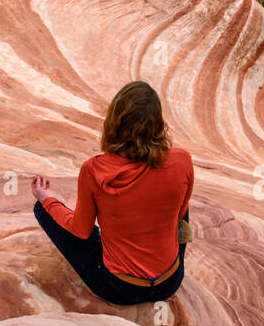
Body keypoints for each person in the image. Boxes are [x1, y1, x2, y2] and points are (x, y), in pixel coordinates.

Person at [31, 80, 194, 306]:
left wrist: (48, 199)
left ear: (114, 122)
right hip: (170, 281)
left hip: (120, 289)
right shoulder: (181, 160)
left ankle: (45, 204)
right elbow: (180, 217)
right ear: (158, 123)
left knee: (44, 210)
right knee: (179, 201)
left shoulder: (94, 170)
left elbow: (80, 230)